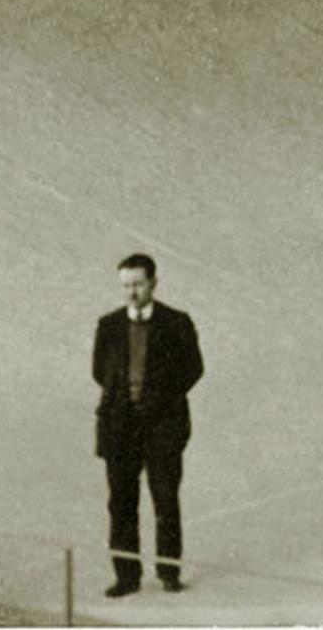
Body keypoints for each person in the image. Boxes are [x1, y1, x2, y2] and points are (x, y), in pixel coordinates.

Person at [90, 251, 203, 595]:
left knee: (165, 501)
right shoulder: (108, 326)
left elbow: (193, 368)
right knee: (121, 504)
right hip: (120, 429)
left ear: (153, 283)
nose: (132, 292)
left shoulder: (177, 323)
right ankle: (126, 576)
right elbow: (100, 371)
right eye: (126, 285)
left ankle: (169, 573)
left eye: (138, 284)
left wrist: (158, 400)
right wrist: (126, 401)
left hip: (163, 430)